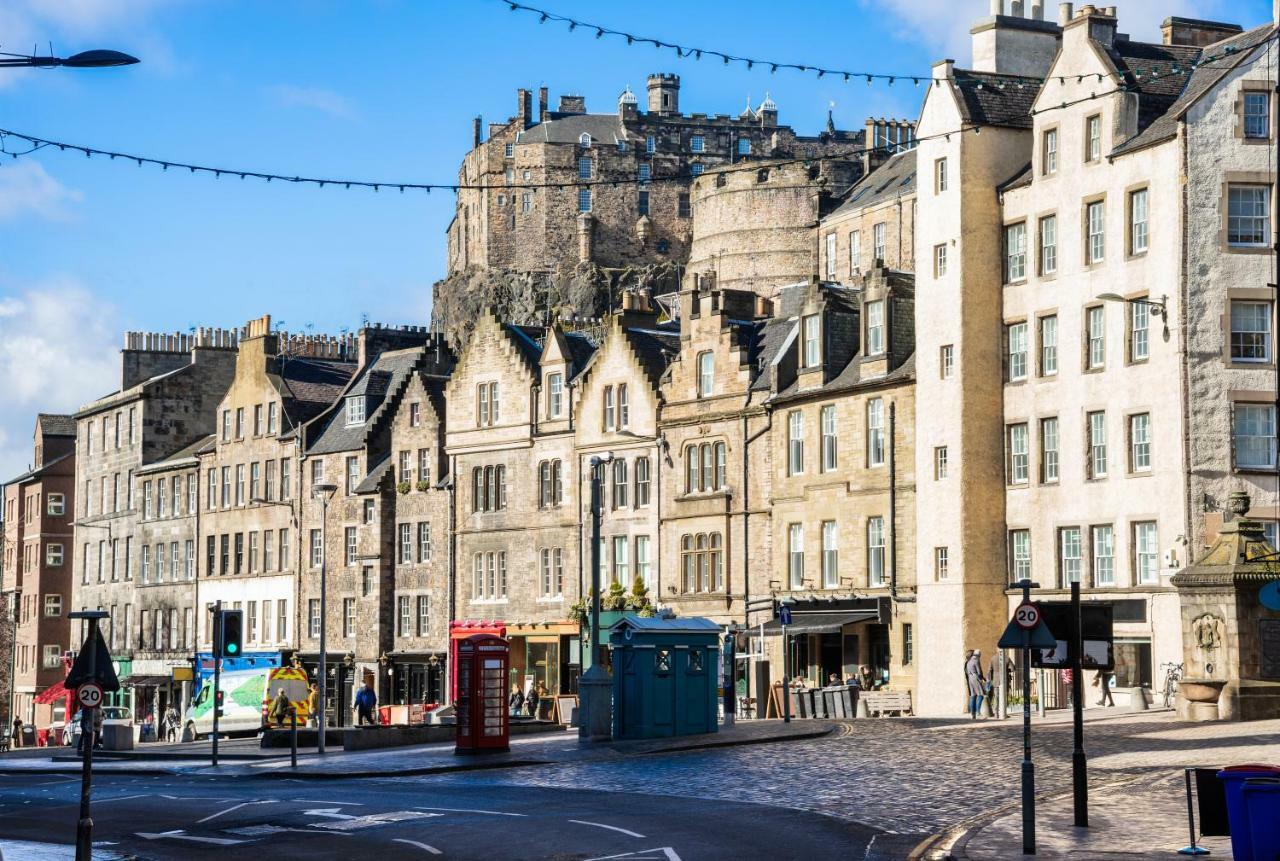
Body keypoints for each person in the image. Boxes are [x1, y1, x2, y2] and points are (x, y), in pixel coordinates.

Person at [966, 649, 987, 719]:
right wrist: (983, 678)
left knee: (973, 695)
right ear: (979, 655)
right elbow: (979, 671)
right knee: (980, 694)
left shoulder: (968, 662)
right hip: (975, 678)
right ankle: (978, 712)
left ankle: (972, 713)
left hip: (970, 678)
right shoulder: (976, 660)